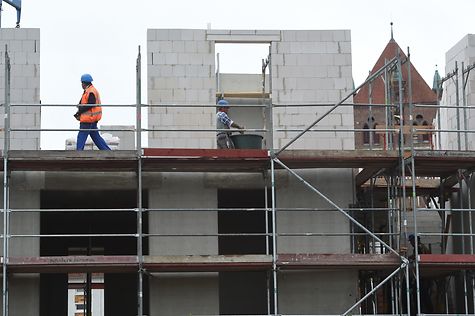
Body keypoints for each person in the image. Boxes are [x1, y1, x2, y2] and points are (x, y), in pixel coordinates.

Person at [74, 74, 111, 150]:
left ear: (84, 83)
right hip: (92, 119)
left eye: (82, 83)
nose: (81, 85)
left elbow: (90, 104)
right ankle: (107, 151)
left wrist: (80, 111)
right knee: (96, 137)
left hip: (88, 118)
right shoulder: (90, 90)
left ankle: (78, 152)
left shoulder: (90, 91)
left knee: (82, 135)